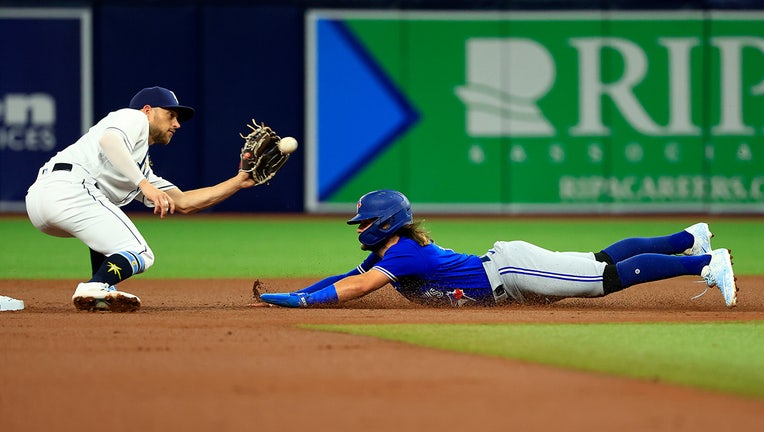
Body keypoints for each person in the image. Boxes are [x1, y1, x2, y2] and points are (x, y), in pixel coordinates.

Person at [257, 189, 738, 309]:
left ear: (384, 223)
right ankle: (690, 237)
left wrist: (302, 302)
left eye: (363, 221)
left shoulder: (400, 251)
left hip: (510, 273)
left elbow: (356, 287)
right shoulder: (392, 250)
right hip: (507, 267)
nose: (359, 228)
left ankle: (703, 261)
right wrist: (298, 293)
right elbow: (345, 277)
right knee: (601, 261)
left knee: (604, 279)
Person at [26, 86, 258, 312]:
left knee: (113, 239)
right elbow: (109, 142)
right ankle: (95, 286)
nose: (176, 124)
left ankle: (102, 289)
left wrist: (239, 181)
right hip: (69, 188)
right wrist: (144, 185)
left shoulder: (138, 166)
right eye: (171, 115)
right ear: (148, 110)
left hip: (44, 200)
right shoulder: (133, 117)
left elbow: (185, 202)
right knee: (140, 252)